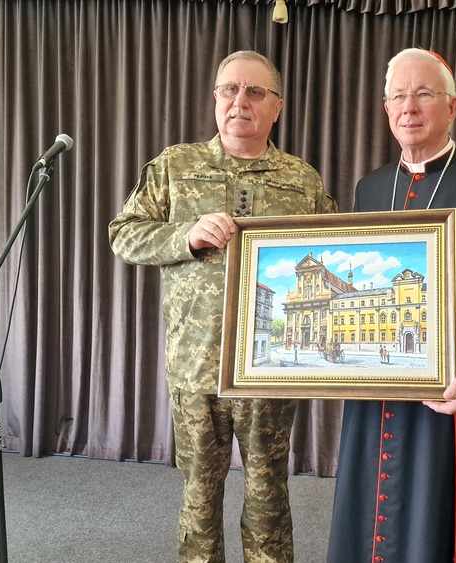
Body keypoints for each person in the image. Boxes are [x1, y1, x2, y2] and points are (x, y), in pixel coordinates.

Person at [108, 50, 337, 563]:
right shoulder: (176, 165)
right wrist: (184, 236)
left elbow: (331, 246)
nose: (240, 102)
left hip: (268, 370)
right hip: (196, 365)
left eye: (255, 92)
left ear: (277, 107)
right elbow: (123, 235)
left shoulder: (302, 180)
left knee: (268, 491)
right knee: (199, 493)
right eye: (229, 89)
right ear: (215, 98)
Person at [327, 48, 456, 563]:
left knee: (435, 520)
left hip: (453, 387)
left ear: (452, 106)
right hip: (375, 392)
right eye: (398, 96)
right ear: (386, 108)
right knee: (367, 511)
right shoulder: (371, 187)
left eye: (424, 94)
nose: (409, 107)